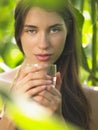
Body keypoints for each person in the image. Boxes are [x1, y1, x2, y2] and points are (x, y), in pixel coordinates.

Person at [0, 0, 98, 130]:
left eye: (54, 30)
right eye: (31, 30)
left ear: (68, 30)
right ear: (19, 33)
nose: (43, 44)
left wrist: (58, 122)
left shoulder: (92, 99)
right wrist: (11, 117)